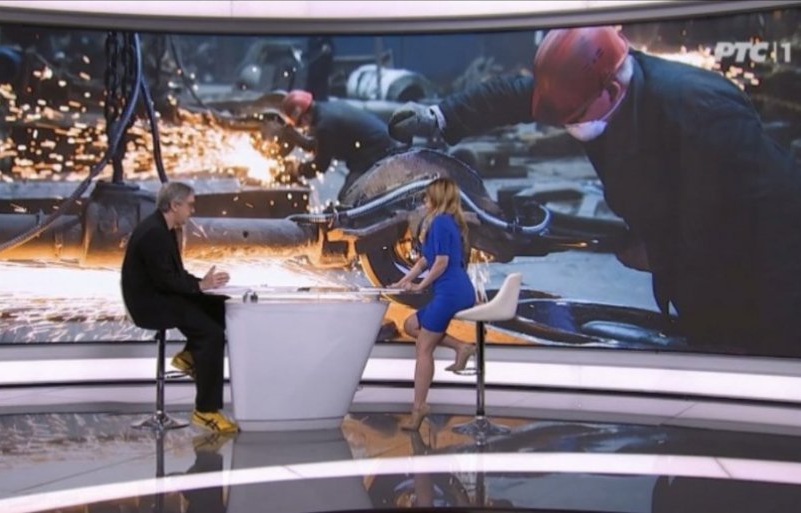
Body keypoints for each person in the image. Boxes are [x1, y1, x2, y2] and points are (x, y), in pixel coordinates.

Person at [389, 26, 801, 357]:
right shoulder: (588, 87)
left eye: (576, 117)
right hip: (697, 276)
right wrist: (440, 117)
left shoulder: (702, 113)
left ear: (613, 91)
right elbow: (515, 96)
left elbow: (752, 222)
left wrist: (660, 252)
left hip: (767, 288)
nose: (570, 126)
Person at [121, 181, 238, 433]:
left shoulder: (165, 229)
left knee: (218, 305)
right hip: (150, 304)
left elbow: (174, 275)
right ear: (174, 205)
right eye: (189, 205)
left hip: (162, 295)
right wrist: (200, 286)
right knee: (211, 334)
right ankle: (206, 411)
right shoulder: (154, 233)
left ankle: (190, 356)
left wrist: (203, 285)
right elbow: (166, 280)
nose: (192, 211)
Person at [392, 177, 476, 431]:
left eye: (428, 196)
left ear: (438, 198)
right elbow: (424, 261)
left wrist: (420, 286)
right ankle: (461, 347)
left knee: (423, 348)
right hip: (456, 289)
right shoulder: (446, 221)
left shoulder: (440, 222)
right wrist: (403, 281)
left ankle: (419, 408)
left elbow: (441, 263)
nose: (424, 200)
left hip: (450, 292)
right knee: (411, 325)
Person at [278, 89, 400, 202]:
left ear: (304, 117)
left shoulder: (325, 125)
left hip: (377, 154)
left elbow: (320, 166)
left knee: (348, 198)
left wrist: (297, 170)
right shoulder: (325, 111)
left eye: (299, 124)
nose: (303, 127)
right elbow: (320, 145)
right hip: (374, 148)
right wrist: (296, 138)